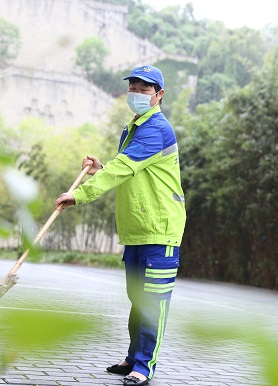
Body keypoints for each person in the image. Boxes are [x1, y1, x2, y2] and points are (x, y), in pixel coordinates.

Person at [54, 64, 186, 386]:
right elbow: (125, 171)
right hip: (138, 229)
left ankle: (145, 366)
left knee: (152, 302)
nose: (137, 93)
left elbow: (123, 169)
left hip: (160, 229)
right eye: (134, 87)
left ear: (159, 95)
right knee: (137, 297)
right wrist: (100, 169)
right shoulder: (134, 128)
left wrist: (78, 195)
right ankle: (132, 358)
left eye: (145, 89)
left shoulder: (156, 129)